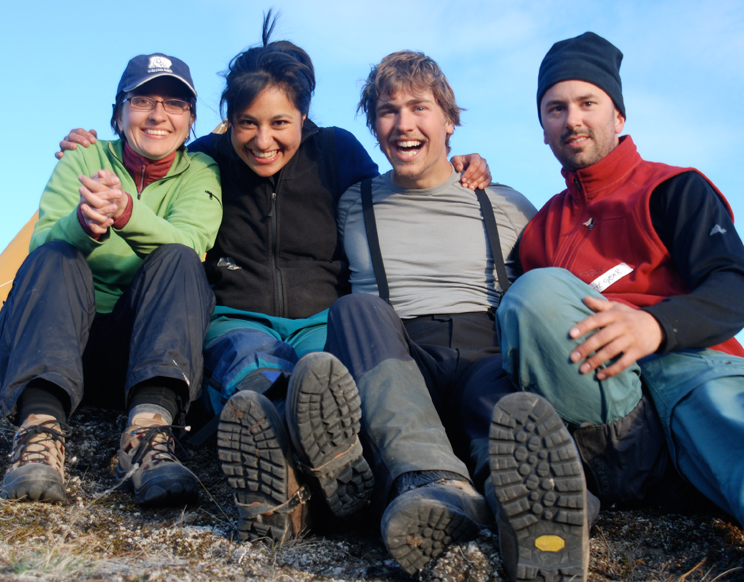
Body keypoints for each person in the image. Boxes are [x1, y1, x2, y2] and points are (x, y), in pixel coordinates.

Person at [56, 13, 491, 543]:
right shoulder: (207, 160)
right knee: (250, 369)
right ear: (228, 120)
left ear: (303, 118)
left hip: (321, 316)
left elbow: (395, 188)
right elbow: (152, 173)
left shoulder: (335, 151)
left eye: (280, 123)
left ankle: (308, 468)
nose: (263, 140)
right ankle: (296, 461)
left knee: (321, 371)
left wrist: (461, 160)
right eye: (247, 123)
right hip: (237, 315)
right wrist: (94, 144)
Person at [320, 51, 583, 580]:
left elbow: (550, 294)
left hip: (484, 348)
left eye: (419, 107)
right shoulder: (353, 201)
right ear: (373, 126)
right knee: (353, 309)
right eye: (387, 111)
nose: (403, 123)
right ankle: (431, 483)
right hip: (397, 356)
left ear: (449, 120)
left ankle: (536, 512)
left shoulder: (505, 202)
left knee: (506, 415)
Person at [497, 31, 744, 548]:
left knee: (729, 426)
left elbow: (736, 286)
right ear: (542, 129)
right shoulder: (537, 229)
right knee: (529, 296)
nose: (572, 120)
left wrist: (655, 325)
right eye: (555, 109)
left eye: (588, 103)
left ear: (619, 116)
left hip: (690, 370)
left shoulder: (673, 188)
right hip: (611, 421)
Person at [0, 53, 223, 507]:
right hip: (63, 340)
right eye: (142, 100)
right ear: (119, 113)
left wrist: (124, 211)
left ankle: (147, 434)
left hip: (137, 350)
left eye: (175, 104)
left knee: (180, 258)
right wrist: (81, 223)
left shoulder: (201, 172)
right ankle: (39, 435)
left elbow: (193, 240)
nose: (158, 114)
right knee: (56, 252)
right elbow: (42, 239)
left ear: (191, 120)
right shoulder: (83, 157)